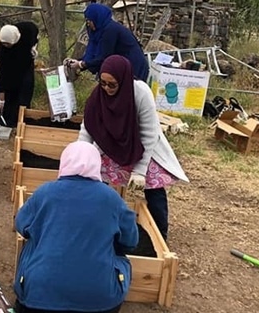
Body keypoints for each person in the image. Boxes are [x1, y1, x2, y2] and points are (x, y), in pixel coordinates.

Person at [14, 141, 138, 313]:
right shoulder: (112, 198)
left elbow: (22, 225)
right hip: (100, 302)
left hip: (39, 297)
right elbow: (130, 241)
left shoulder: (45, 192)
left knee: (33, 245)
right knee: (119, 256)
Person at [78, 55, 189, 240]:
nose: (106, 88)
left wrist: (139, 171)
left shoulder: (140, 92)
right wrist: (80, 159)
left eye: (112, 85)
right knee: (95, 180)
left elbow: (149, 133)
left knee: (153, 187)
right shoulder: (98, 95)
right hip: (111, 145)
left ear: (123, 80)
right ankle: (95, 225)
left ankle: (159, 236)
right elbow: (88, 127)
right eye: (103, 83)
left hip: (141, 147)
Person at [65, 3, 149, 81]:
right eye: (87, 21)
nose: (88, 24)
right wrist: (77, 61)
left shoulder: (110, 30)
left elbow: (103, 57)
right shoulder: (99, 32)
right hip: (120, 66)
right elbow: (94, 55)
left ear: (97, 18)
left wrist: (81, 64)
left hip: (133, 66)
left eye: (89, 20)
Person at [0, 22, 39, 127]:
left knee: (24, 91)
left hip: (25, 67)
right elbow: (3, 75)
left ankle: (20, 117)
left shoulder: (27, 29)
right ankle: (1, 116)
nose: (6, 45)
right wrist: (1, 99)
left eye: (8, 44)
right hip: (9, 71)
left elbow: (36, 34)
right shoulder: (4, 51)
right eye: (4, 43)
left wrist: (34, 46)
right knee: (8, 94)